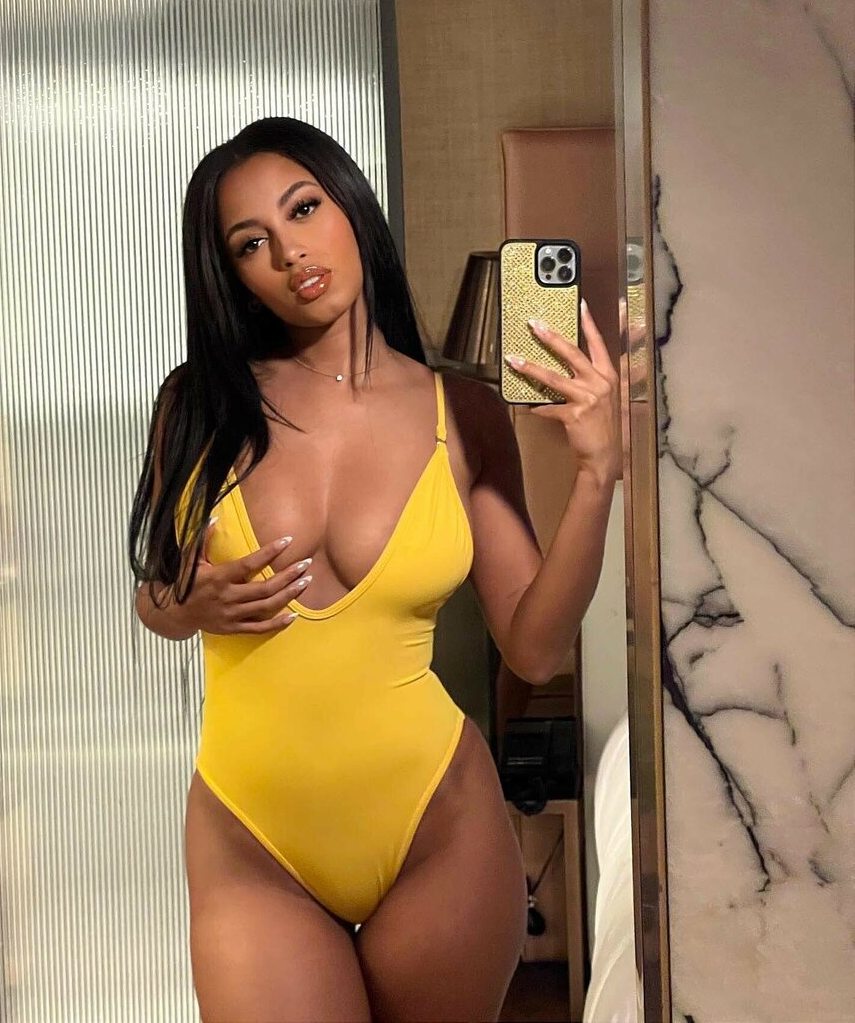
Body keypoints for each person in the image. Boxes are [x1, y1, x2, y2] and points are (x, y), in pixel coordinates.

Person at [128, 116, 620, 1023]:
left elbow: (535, 647)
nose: (290, 252)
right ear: (232, 274)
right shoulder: (196, 404)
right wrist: (188, 605)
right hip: (252, 835)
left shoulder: (463, 410)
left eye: (303, 209)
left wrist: (597, 477)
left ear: (351, 205)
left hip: (437, 823)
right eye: (250, 243)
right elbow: (156, 596)